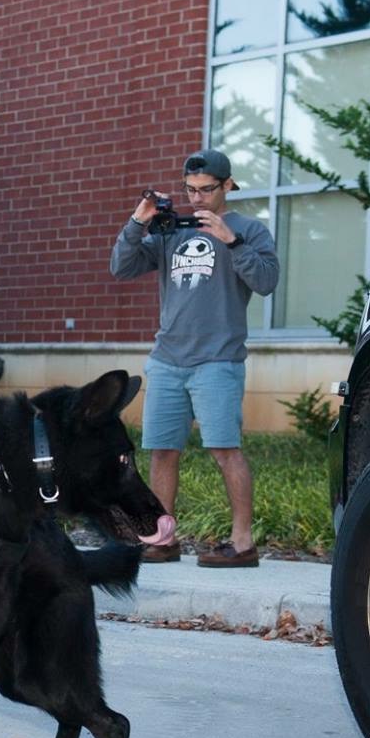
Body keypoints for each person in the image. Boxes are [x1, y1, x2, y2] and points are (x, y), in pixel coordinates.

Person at [109, 149, 279, 568]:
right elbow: (121, 267)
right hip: (167, 360)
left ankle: (242, 543)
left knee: (224, 450)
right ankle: (163, 539)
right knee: (162, 451)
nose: (197, 198)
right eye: (190, 190)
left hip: (217, 361)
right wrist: (138, 222)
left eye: (206, 189)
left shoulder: (249, 230)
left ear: (228, 185)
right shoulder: (171, 232)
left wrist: (231, 241)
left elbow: (266, 281)